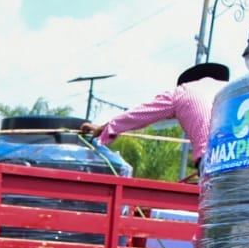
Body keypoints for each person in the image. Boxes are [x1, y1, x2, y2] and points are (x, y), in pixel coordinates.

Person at [79, 62, 231, 172]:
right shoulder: (233, 89)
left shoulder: (182, 92)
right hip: (248, 153)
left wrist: (105, 127)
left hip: (214, 159)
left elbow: (141, 114)